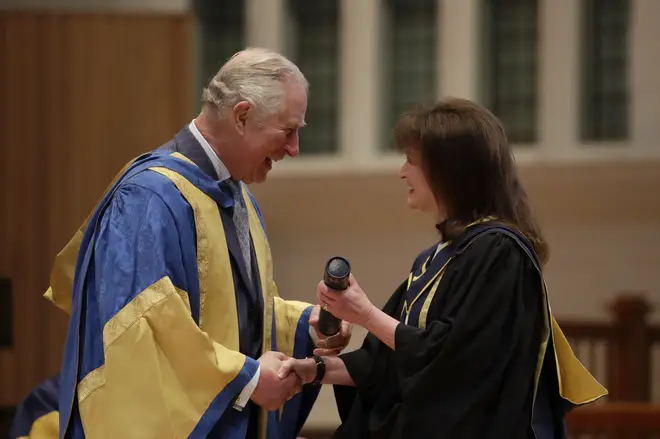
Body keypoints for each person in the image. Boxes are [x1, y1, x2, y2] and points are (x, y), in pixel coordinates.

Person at [41, 47, 351, 439]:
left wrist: (302, 326)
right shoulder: (149, 199)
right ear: (241, 116)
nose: (294, 149)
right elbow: (144, 337)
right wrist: (248, 379)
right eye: (288, 131)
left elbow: (230, 314)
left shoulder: (238, 197)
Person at [278, 98, 608, 439]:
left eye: (411, 160)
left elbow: (453, 363)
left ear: (448, 171)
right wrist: (312, 370)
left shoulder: (500, 253)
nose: (401, 172)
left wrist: (364, 314)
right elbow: (386, 364)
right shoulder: (435, 259)